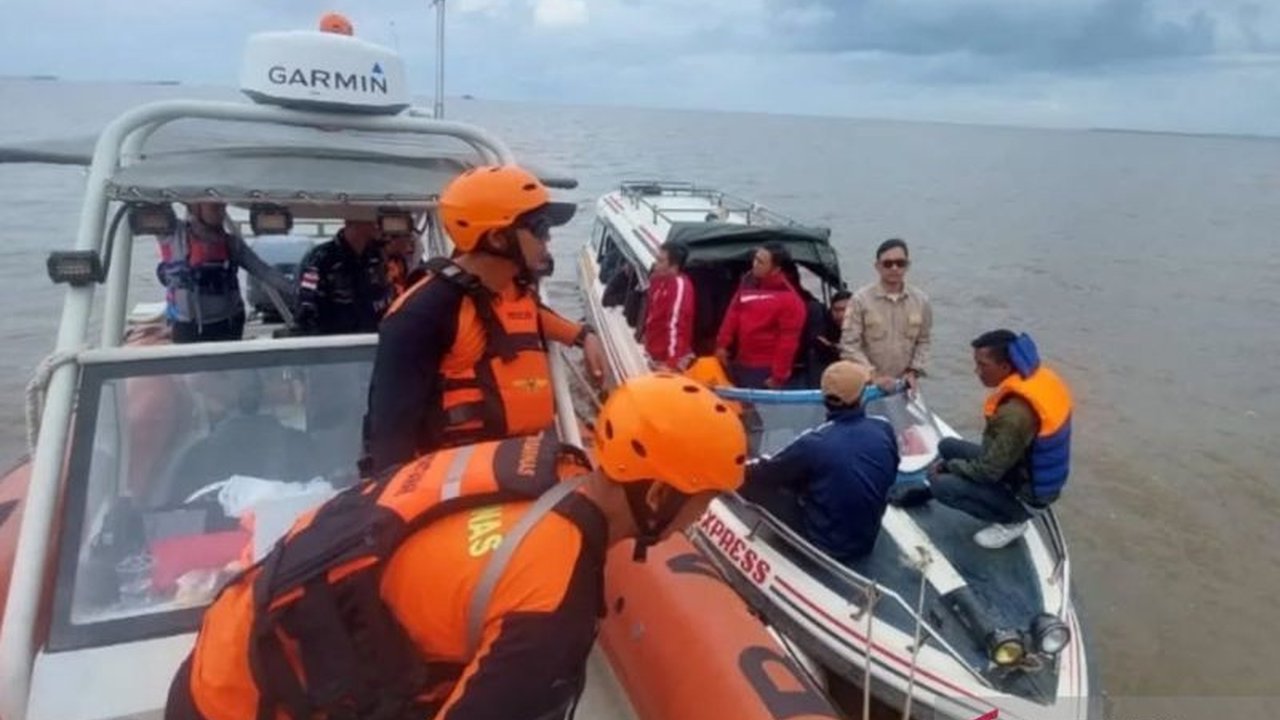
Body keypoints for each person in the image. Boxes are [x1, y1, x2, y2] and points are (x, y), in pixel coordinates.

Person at [165, 374, 747, 720]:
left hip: (230, 643)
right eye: (702, 499)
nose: (700, 516)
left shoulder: (538, 465)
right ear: (659, 495)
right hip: (242, 701)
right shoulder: (552, 604)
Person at [365, 165, 606, 474]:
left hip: (524, 462)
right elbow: (390, 441)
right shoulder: (419, 316)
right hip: (461, 480)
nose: (548, 241)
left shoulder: (506, 289)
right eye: (540, 228)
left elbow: (531, 315)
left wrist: (584, 335)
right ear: (497, 238)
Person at [889, 330, 1073, 549]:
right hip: (1020, 468)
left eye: (982, 365)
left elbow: (989, 472)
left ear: (1005, 367)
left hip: (1026, 495)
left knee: (941, 484)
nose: (977, 371)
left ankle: (1012, 522)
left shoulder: (1014, 415)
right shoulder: (1036, 377)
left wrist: (950, 467)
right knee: (946, 446)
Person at [739, 361, 899, 563]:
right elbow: (891, 472)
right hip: (866, 540)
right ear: (861, 396)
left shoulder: (814, 442)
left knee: (752, 481)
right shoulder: (883, 428)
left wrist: (735, 466)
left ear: (824, 398)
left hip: (824, 544)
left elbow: (766, 471)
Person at [156, 202, 295, 343]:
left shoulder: (232, 244)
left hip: (227, 323)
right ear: (195, 207)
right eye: (215, 206)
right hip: (186, 325)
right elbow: (158, 205)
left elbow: (264, 272)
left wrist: (297, 290)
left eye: (223, 207)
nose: (221, 211)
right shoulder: (172, 235)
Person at [839, 238, 932, 392]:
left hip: (905, 385)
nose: (894, 268)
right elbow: (848, 346)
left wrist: (914, 371)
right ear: (877, 266)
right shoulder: (860, 300)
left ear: (907, 265)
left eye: (900, 263)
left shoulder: (921, 301)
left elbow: (924, 341)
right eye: (888, 264)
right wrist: (873, 375)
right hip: (867, 386)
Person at [714, 242, 806, 389]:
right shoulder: (747, 285)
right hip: (741, 362)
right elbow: (732, 316)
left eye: (761, 262)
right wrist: (722, 345)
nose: (754, 264)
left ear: (776, 269)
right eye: (755, 259)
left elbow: (788, 342)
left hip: (764, 369)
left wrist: (778, 376)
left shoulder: (790, 300)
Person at [292, 219, 393, 335]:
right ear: (352, 222)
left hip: (372, 340)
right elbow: (306, 309)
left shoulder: (376, 258)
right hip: (334, 343)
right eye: (373, 221)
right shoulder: (320, 259)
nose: (379, 227)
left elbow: (386, 300)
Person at [642, 241, 695, 370]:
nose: (656, 265)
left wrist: (671, 362)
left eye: (660, 261)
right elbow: (652, 313)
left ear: (674, 265)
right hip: (654, 352)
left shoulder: (679, 286)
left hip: (668, 359)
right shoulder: (658, 281)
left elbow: (676, 324)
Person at [813, 290, 852, 373]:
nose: (841, 315)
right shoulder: (824, 329)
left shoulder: (866, 328)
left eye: (845, 309)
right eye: (836, 310)